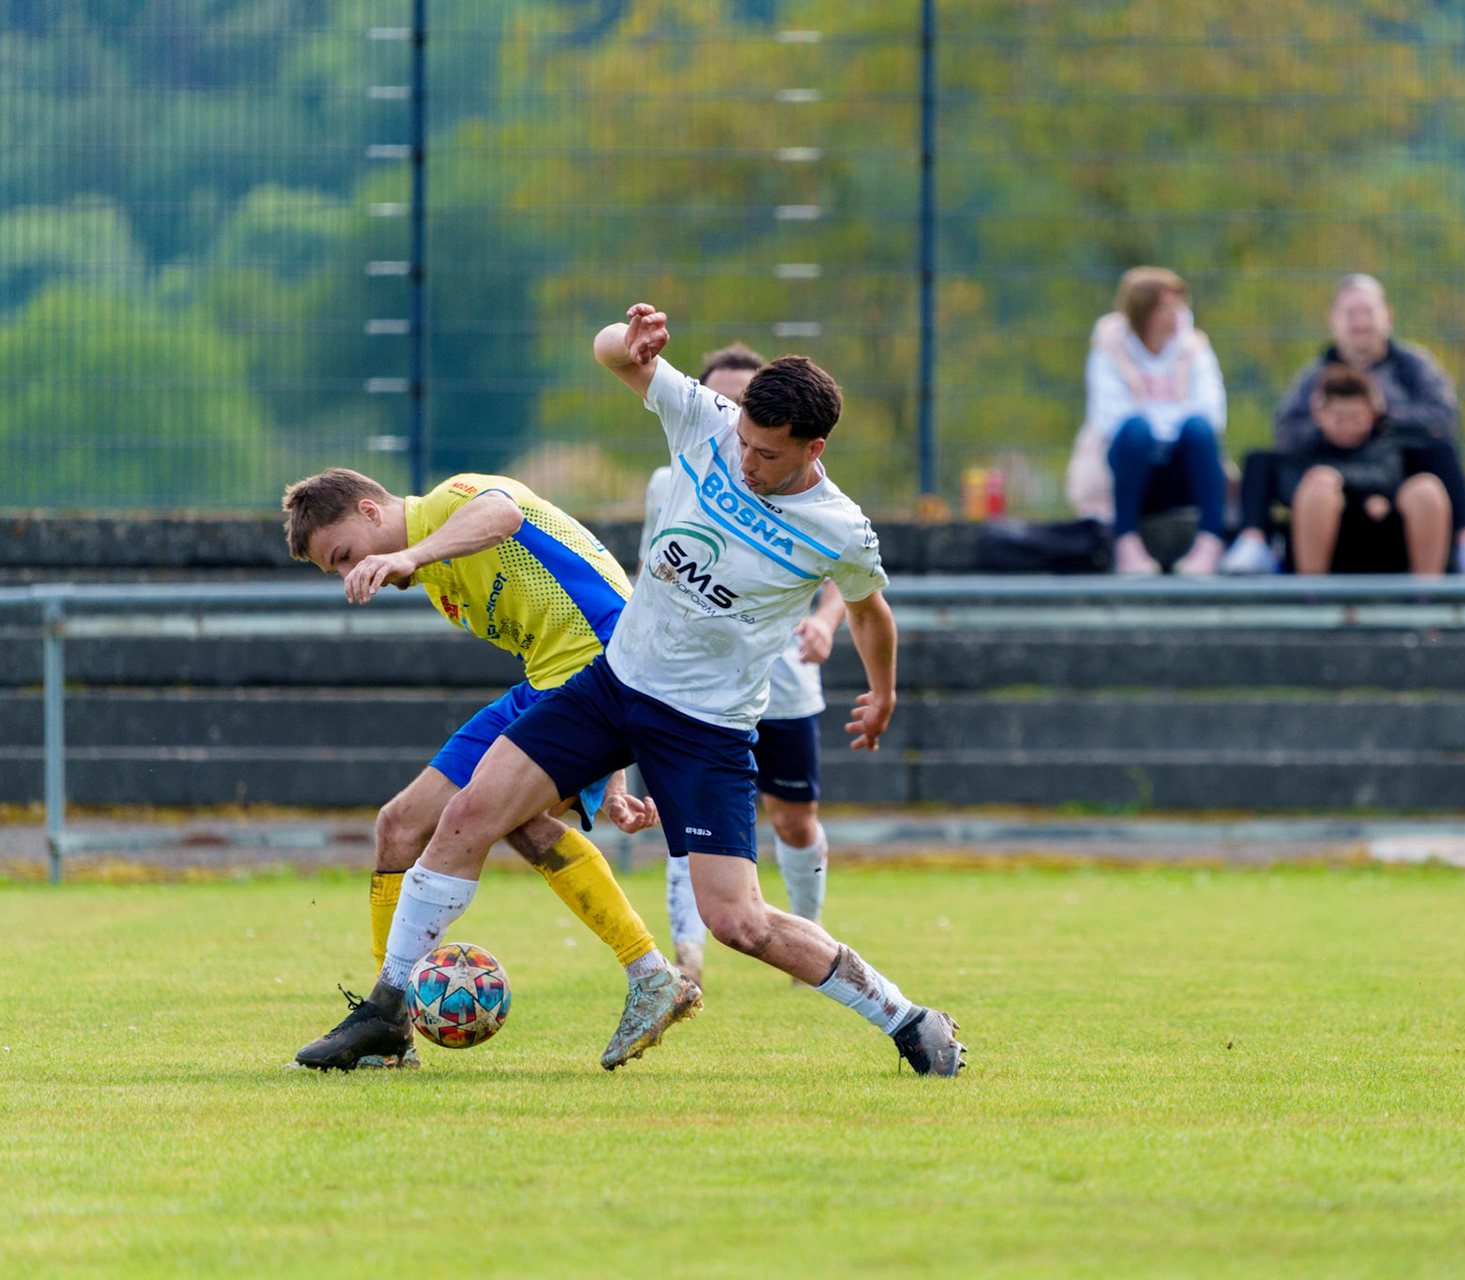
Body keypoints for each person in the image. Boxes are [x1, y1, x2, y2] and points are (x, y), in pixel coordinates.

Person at [291, 302, 965, 1077]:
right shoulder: (712, 425)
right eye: (744, 440)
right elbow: (613, 354)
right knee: (470, 814)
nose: (746, 461)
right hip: (612, 684)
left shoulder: (840, 528)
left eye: (768, 455)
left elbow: (871, 613)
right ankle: (386, 1011)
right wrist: (629, 340)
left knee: (737, 922)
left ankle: (908, 1019)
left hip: (704, 728)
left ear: (814, 449)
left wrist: (882, 694)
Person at [280, 467, 672, 1071]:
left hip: (600, 667)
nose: (348, 575)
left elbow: (505, 515)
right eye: (334, 569)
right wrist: (612, 780)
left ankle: (650, 973)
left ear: (370, 511)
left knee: (510, 818)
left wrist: (411, 553)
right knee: (399, 825)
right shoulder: (439, 581)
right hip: (545, 684)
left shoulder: (450, 500)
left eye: (344, 556)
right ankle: (393, 1026)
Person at [635, 342, 846, 988]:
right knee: (686, 822)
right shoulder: (675, 479)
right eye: (722, 402)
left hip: (780, 688)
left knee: (793, 819)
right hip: (693, 691)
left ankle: (806, 948)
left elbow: (855, 582)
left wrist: (823, 623)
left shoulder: (806, 489)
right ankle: (686, 958)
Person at [1221, 273, 1465, 576]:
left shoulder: (1414, 366)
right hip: (1326, 474)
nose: (1359, 322)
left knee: (1440, 455)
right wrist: (1330, 429)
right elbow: (1285, 432)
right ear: (1333, 320)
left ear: (1387, 316)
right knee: (1262, 461)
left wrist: (1381, 423)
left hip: (1395, 471)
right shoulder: (1312, 376)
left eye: (1367, 312)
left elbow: (1443, 417)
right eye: (1350, 313)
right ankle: (1254, 542)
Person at [1065, 266, 1229, 575]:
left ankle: (1210, 541)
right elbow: (1108, 418)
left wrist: (1159, 421)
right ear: (1144, 312)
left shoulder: (1195, 350)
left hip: (1181, 468)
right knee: (1135, 431)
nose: (1176, 315)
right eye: (1167, 308)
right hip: (1129, 469)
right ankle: (1124, 541)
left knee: (1199, 430)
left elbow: (1211, 411)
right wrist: (1161, 420)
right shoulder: (1108, 351)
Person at [1281, 364, 1465, 576]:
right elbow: (1289, 485)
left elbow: (1386, 476)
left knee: (1427, 489)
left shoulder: (1386, 441)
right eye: (1339, 418)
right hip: (1334, 541)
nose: (1347, 427)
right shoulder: (1304, 444)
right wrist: (1359, 496)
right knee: (1317, 490)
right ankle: (1312, 594)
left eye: (1355, 418)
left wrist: (1341, 478)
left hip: (1388, 535)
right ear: (1319, 414)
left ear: (1373, 414)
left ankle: (1426, 593)